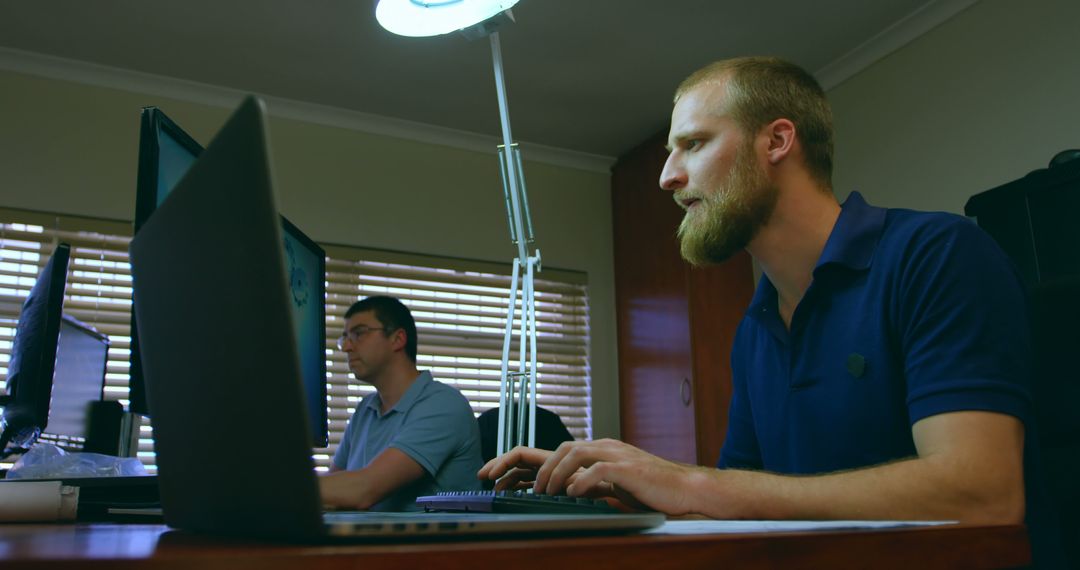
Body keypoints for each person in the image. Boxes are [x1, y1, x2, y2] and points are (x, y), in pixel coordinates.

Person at [480, 56, 1058, 563]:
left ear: (777, 141)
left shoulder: (936, 255)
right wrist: (633, 493)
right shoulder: (756, 326)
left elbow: (985, 496)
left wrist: (695, 484)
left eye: (694, 143)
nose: (667, 177)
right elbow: (748, 504)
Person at [320, 295, 482, 511]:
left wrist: (270, 487)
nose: (347, 346)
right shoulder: (365, 409)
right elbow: (334, 489)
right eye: (345, 338)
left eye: (359, 333)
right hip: (365, 541)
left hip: (424, 544)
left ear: (398, 339)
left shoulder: (443, 405)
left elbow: (364, 489)